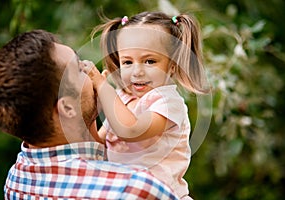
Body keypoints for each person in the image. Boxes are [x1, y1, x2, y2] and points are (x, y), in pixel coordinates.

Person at [0, 29, 179, 199]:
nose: (89, 67)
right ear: (68, 108)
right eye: (79, 68)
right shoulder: (133, 189)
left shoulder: (16, 180)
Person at [84, 11, 209, 199]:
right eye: (127, 62)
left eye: (150, 61)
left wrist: (102, 86)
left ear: (172, 65)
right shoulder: (122, 99)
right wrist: (92, 114)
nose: (137, 72)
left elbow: (131, 129)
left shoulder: (168, 103)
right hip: (124, 194)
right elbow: (99, 147)